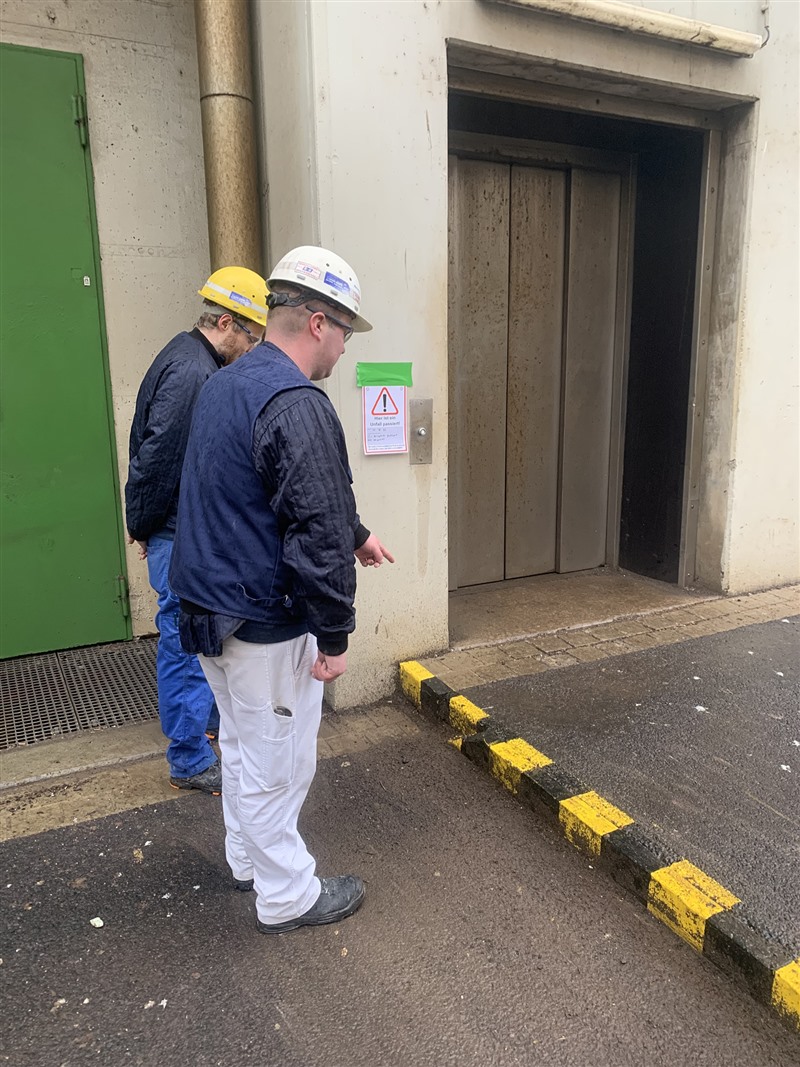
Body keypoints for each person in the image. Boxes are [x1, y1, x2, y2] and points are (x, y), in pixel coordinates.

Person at [169, 245, 393, 933]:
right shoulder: (297, 402)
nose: (345, 349)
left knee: (241, 747)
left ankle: (248, 860)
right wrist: (334, 636)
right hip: (262, 621)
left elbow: (266, 490)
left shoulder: (229, 383)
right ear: (318, 322)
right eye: (346, 332)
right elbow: (314, 528)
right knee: (279, 764)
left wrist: (356, 532)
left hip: (208, 609)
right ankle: (288, 895)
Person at [125, 267, 269, 795]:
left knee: (192, 638)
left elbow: (146, 445)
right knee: (186, 642)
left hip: (174, 530)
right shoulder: (194, 373)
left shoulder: (183, 355)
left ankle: (202, 734)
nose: (251, 349)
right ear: (226, 323)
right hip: (177, 534)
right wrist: (143, 524)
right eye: (250, 337)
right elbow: (159, 459)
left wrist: (144, 520)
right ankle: (188, 759)